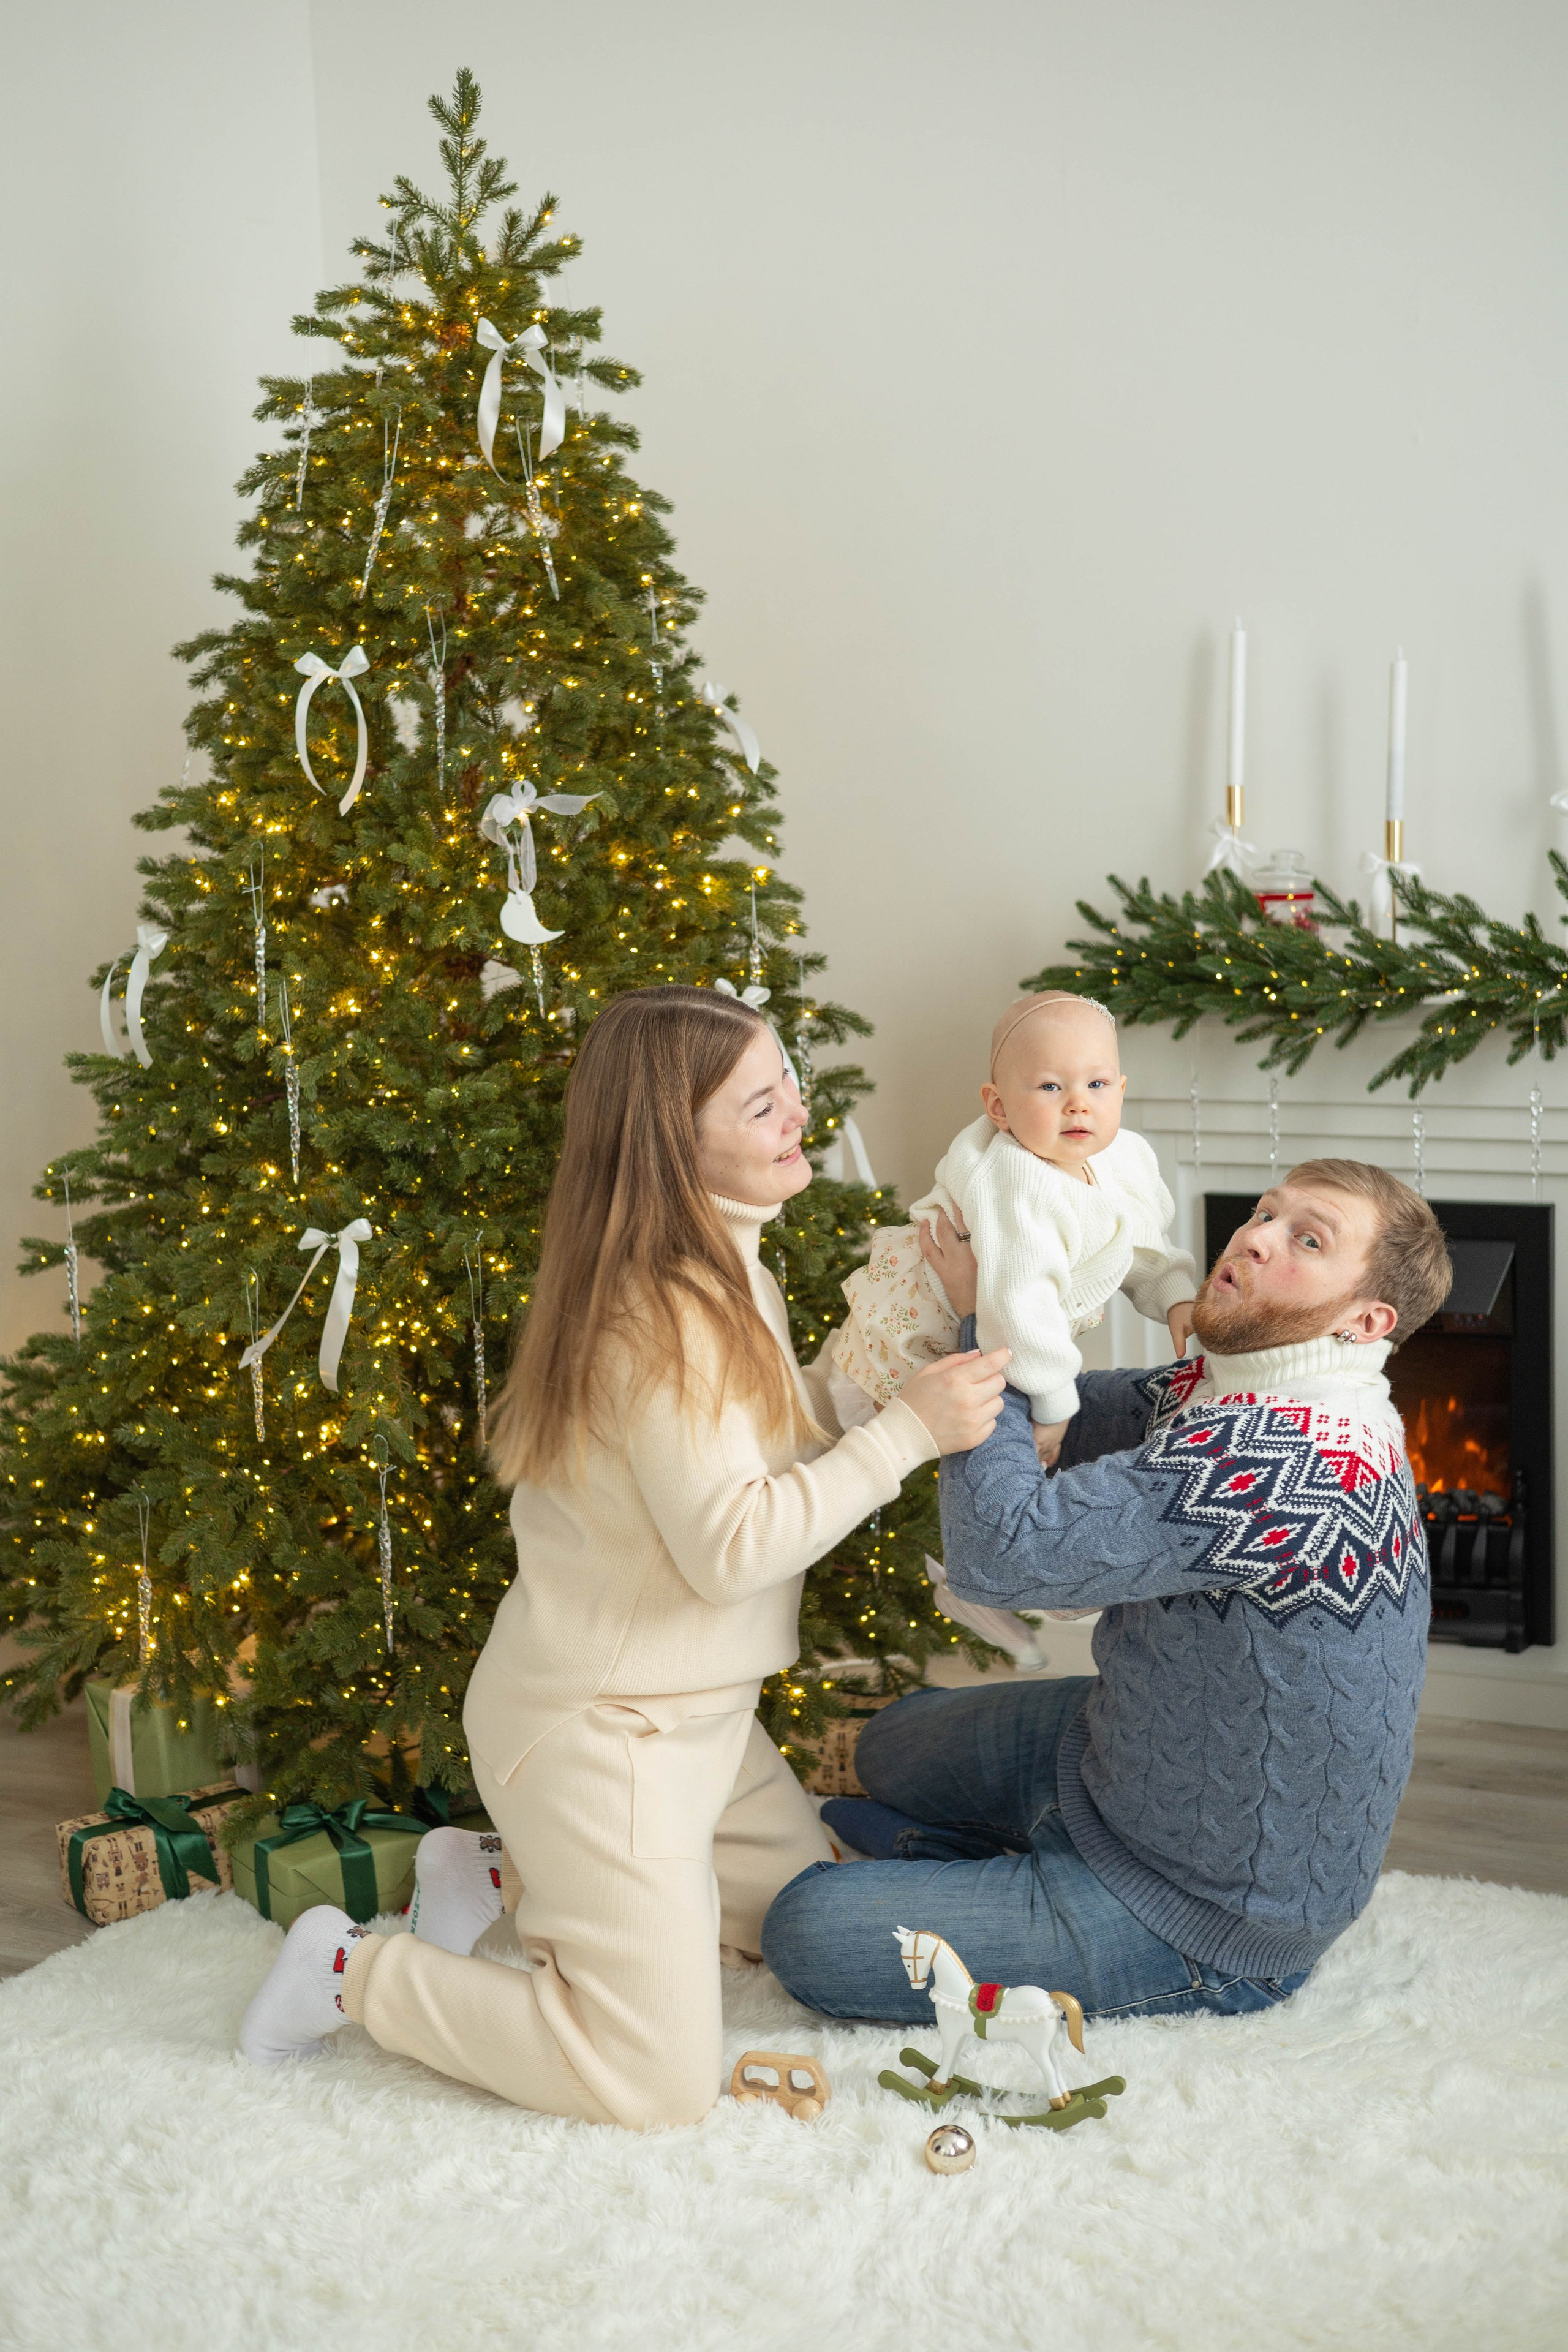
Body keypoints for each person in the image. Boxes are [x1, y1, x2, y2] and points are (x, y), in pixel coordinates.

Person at [239, 984, 1008, 2125]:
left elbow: (764, 1419)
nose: (800, 1108)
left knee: (813, 1921)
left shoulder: (725, 1263)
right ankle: (351, 1972)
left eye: (787, 1078)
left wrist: (890, 1372)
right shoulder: (660, 1314)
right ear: (673, 1142)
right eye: (761, 1104)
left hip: (705, 1720)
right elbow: (733, 1548)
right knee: (651, 2082)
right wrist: (906, 1435)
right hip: (608, 1732)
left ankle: (500, 1873)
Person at [762, 1159, 1452, 2029]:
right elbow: (1066, 1414)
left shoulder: (1298, 1460)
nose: (1256, 1236)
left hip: (1204, 1912)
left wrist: (991, 1317)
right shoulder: (1231, 1387)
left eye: (1307, 1239)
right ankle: (983, 1869)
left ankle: (988, 1880)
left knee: (807, 1928)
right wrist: (1019, 1307)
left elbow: (1002, 1554)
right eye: (1265, 1211)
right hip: (1121, 1765)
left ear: (1367, 1321)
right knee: (889, 1744)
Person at [829, 993, 1197, 1468]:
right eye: (1050, 1087)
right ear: (999, 1108)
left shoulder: (1124, 1156)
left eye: (1098, 1083)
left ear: (1122, 1091)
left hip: (999, 1335)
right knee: (862, 1443)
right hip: (917, 1343)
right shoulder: (1018, 1185)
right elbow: (1018, 1312)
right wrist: (1055, 1408)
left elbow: (1141, 1232)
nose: (1079, 1104)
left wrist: (1174, 1292)